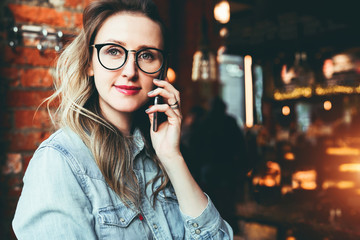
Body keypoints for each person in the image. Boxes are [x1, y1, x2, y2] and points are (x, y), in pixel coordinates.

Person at [12, 0, 233, 239]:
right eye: (114, 51)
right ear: (89, 63)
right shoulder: (60, 161)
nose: (130, 71)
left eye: (147, 55)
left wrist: (172, 157)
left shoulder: (159, 155)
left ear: (160, 71)